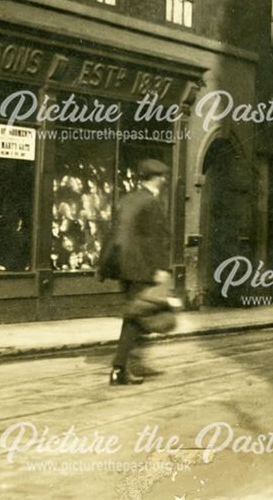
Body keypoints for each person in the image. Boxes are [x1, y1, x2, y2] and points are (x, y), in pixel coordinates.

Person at [110, 159, 172, 386]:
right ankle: (120, 368)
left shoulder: (127, 199)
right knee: (136, 318)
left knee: (135, 316)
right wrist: (161, 269)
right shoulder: (151, 202)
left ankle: (126, 364)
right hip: (143, 269)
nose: (164, 180)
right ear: (154, 178)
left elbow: (117, 234)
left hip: (125, 268)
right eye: (161, 176)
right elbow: (157, 240)